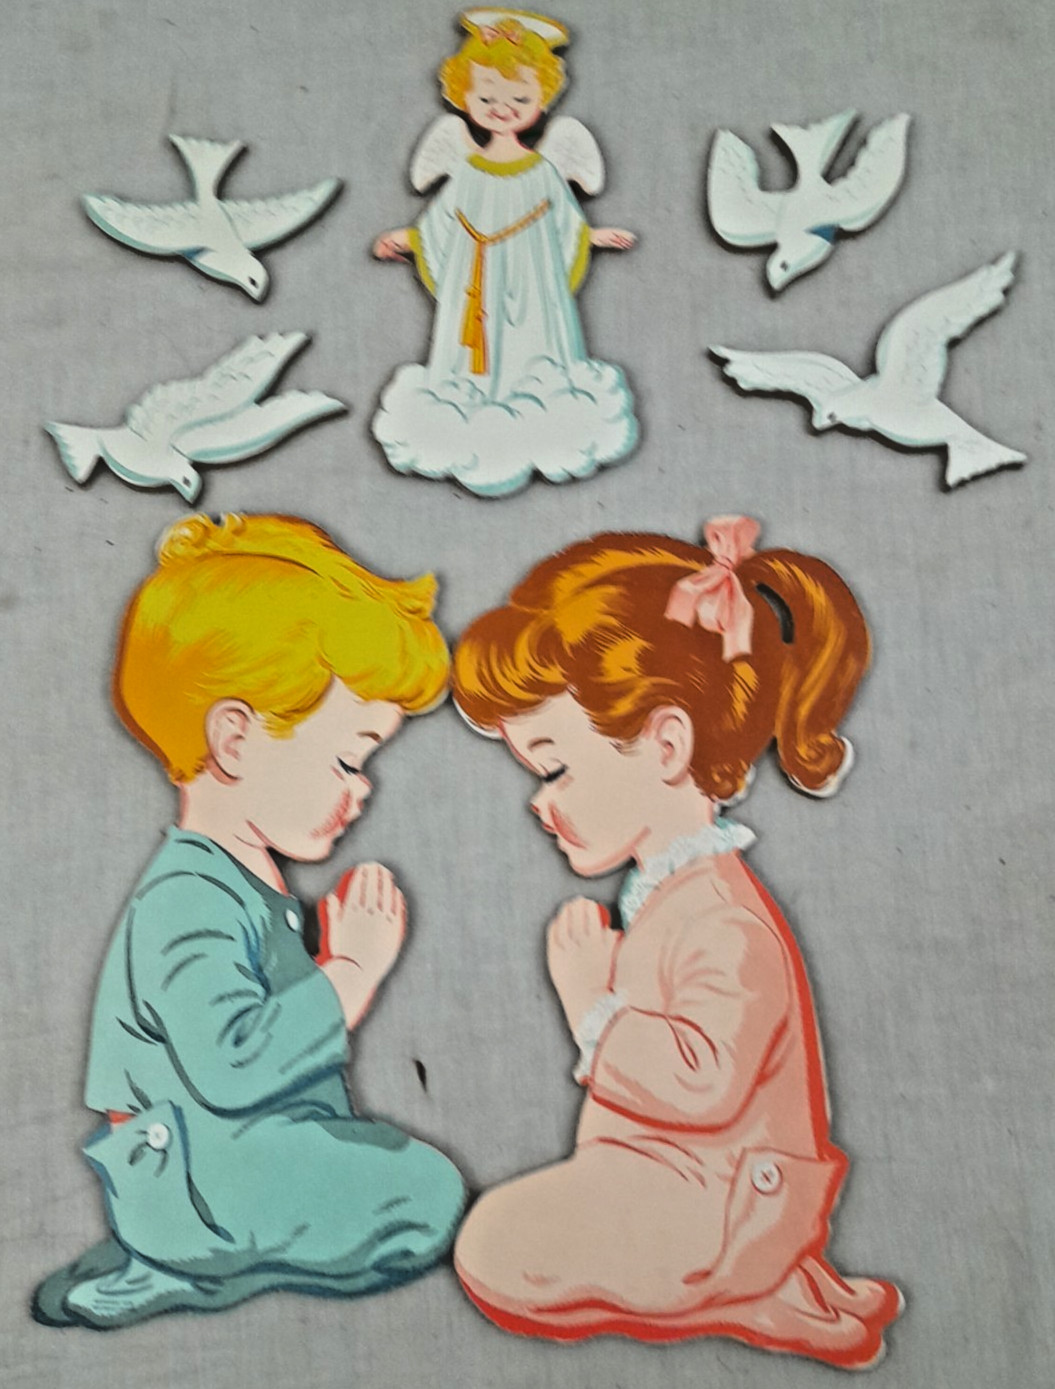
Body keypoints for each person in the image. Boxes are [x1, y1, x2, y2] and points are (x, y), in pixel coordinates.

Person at [450, 517, 903, 1367]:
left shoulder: (723, 917)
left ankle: (752, 1287)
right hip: (684, 1182)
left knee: (492, 1246)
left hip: (725, 1202)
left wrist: (592, 1005)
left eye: (553, 767)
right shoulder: (672, 894)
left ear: (665, 743)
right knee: (505, 1233)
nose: (539, 802)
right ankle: (771, 1286)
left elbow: (704, 1082)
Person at [33, 513, 465, 1329]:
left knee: (405, 1178)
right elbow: (230, 1063)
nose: (361, 788)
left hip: (230, 1158)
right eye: (347, 757)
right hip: (201, 1180)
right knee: (428, 1194)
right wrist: (350, 972)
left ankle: (186, 1262)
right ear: (233, 738)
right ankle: (190, 1261)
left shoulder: (233, 875)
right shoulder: (185, 897)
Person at [371, 9, 638, 496]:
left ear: (541, 100)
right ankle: (467, 418)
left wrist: (592, 238)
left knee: (533, 347)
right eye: (487, 97)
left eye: (519, 98)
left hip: (532, 281)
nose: (502, 108)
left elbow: (566, 222)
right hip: (475, 282)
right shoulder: (468, 171)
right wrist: (409, 240)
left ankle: (538, 417)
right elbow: (441, 221)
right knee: (472, 357)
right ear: (464, 97)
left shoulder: (543, 172)